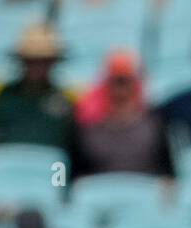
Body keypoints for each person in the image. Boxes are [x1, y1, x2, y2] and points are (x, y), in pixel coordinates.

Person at [0, 23, 77, 151]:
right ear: (20, 60)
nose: (37, 67)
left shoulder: (70, 97)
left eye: (44, 61)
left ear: (54, 61)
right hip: (5, 163)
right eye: (30, 61)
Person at [73, 50, 175, 179]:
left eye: (125, 80)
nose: (120, 88)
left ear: (136, 83)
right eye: (115, 80)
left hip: (145, 191)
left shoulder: (155, 123)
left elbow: (168, 170)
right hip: (100, 193)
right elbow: (77, 171)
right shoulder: (88, 126)